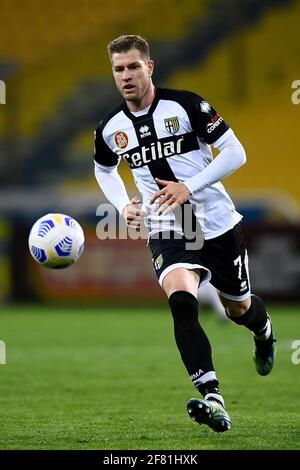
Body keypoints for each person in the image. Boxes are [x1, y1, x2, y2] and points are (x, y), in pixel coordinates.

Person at [93, 34, 276, 433]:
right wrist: (124, 204)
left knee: (238, 309)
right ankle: (214, 397)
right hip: (168, 225)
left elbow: (235, 152)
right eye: (118, 69)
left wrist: (188, 188)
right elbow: (104, 169)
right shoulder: (111, 127)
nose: (126, 76)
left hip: (216, 222)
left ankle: (264, 333)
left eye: (133, 67)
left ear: (149, 67)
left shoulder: (186, 104)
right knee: (181, 299)